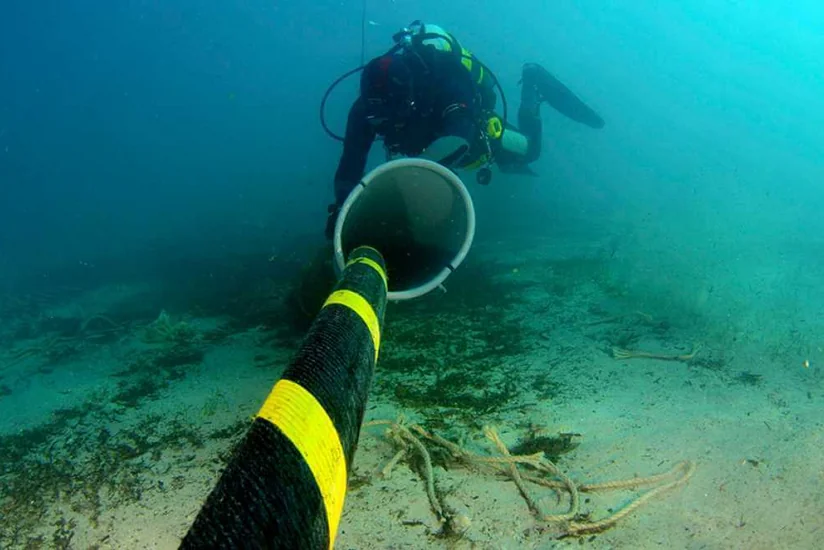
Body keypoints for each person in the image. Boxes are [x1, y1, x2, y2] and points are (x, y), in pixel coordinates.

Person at [325, 21, 605, 238]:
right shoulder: (365, 109)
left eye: (391, 114)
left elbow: (461, 135)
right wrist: (342, 208)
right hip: (430, 147)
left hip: (475, 133)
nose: (383, 123)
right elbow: (351, 159)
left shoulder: (446, 82)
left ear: (409, 94)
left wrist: (416, 182)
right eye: (377, 118)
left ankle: (532, 83)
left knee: (530, 151)